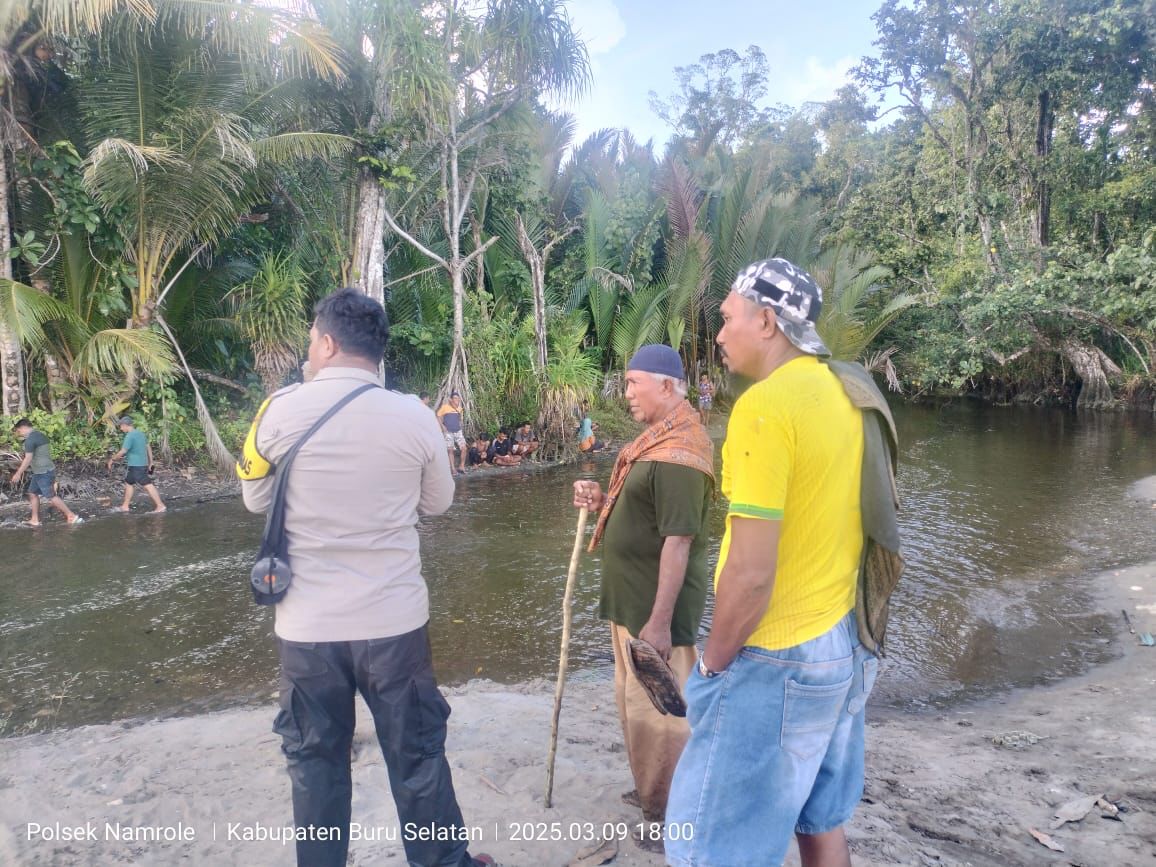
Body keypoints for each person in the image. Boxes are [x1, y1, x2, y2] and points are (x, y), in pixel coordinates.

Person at [237, 289, 493, 867]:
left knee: (315, 761)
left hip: (306, 627)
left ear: (326, 343)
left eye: (310, 340)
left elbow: (255, 500)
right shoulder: (415, 416)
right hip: (394, 624)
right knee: (418, 755)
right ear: (376, 352)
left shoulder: (277, 411)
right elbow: (439, 503)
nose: (308, 350)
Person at [665, 258, 882, 867]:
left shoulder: (764, 409)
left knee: (710, 849)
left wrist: (713, 662)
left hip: (777, 656)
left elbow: (752, 572)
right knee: (820, 824)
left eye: (727, 317)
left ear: (766, 322)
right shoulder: (844, 392)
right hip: (842, 642)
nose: (717, 334)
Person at [572, 344, 714, 854]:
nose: (626, 392)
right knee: (635, 703)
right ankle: (652, 789)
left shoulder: (683, 454)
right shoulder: (658, 442)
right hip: (633, 602)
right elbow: (644, 513)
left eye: (634, 383)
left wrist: (658, 622)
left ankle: (668, 812)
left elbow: (679, 541)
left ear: (668, 387)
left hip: (656, 613)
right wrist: (602, 500)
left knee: (660, 713)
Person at [9, 418, 83, 526]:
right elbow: (38, 454)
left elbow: (28, 458)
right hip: (43, 470)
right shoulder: (40, 435)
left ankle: (71, 515)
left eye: (19, 431)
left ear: (23, 428)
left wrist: (18, 473)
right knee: (32, 493)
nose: (19, 434)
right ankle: (35, 520)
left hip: (43, 472)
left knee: (50, 496)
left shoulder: (30, 440)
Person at [107, 416, 166, 513]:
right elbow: (148, 447)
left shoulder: (130, 436)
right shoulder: (141, 434)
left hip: (136, 465)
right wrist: (151, 462)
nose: (121, 429)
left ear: (125, 425)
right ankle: (125, 506)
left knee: (147, 484)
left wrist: (112, 460)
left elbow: (123, 451)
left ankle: (160, 505)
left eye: (121, 426)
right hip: (141, 464)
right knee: (129, 482)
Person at [437, 391, 468, 476]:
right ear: (450, 399)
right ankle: (453, 469)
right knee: (450, 450)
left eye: (458, 398)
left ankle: (461, 466)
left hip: (458, 431)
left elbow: (460, 420)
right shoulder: (444, 407)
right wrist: (442, 426)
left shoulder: (460, 409)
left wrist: (459, 428)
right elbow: (438, 416)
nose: (457, 400)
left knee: (464, 448)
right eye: (455, 398)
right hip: (448, 432)